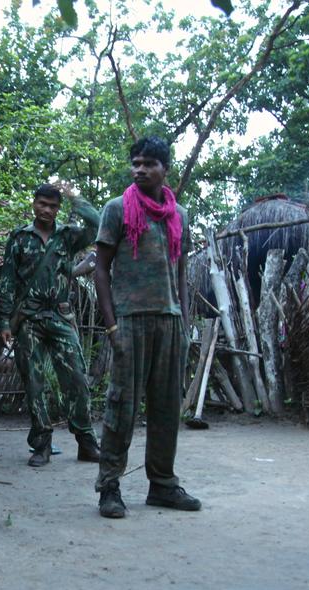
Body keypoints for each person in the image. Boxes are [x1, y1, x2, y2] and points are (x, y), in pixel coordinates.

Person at [92, 136, 201, 519]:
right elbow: (100, 270)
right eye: (135, 163)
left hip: (169, 322)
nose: (140, 170)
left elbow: (181, 270)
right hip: (129, 320)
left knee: (167, 408)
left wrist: (184, 324)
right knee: (121, 406)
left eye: (149, 163)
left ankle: (163, 485)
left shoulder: (180, 215)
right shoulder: (117, 209)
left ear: (164, 169)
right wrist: (111, 327)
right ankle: (109, 487)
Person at [0, 183, 101, 466]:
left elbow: (97, 223)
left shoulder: (68, 237)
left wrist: (74, 196)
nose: (47, 210)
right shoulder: (19, 238)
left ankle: (86, 441)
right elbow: (7, 280)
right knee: (34, 382)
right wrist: (4, 320)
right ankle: (41, 444)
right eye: (42, 204)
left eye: (53, 206)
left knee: (77, 378)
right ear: (33, 203)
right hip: (28, 319)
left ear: (59, 209)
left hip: (60, 317)